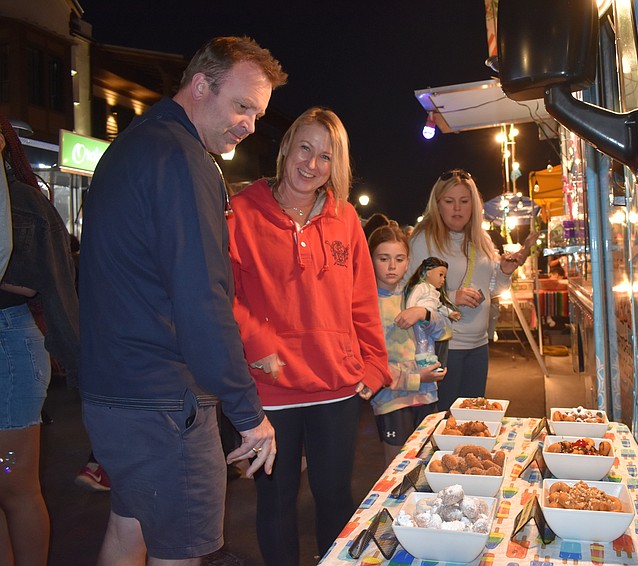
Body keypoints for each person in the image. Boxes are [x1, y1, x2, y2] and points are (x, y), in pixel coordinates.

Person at [78, 36, 287, 565]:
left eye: (258, 114)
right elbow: (202, 299)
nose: (249, 125)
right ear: (200, 86)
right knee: (180, 552)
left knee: (129, 531)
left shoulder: (132, 145)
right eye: (242, 106)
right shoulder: (184, 158)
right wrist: (248, 413)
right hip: (164, 401)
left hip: (115, 394)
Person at [228, 106, 391, 565]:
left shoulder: (345, 220)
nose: (311, 164)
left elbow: (362, 301)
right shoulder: (241, 212)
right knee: (276, 501)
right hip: (270, 390)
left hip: (334, 387)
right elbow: (224, 294)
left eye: (325, 156)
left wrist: (375, 364)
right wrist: (258, 344)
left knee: (336, 496)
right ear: (286, 147)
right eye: (305, 148)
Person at [0, 113, 79, 565]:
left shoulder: (21, 202)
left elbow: (37, 282)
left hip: (10, 347)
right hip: (13, 346)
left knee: (13, 482)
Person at [407, 169, 536, 411]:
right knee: (442, 425)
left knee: (472, 422)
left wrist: (505, 271)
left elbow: (492, 288)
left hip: (479, 347)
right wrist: (452, 296)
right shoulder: (422, 241)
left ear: (474, 205)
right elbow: (410, 294)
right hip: (443, 349)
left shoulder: (482, 239)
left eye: (464, 201)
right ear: (437, 205)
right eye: (449, 201)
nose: (457, 208)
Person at [368, 226, 448, 465]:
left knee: (428, 460)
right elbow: (368, 363)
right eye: (384, 259)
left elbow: (444, 330)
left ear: (408, 262)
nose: (392, 266)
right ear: (370, 259)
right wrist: (416, 378)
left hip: (427, 395)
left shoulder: (420, 294)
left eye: (399, 259)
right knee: (397, 465)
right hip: (391, 398)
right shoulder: (364, 303)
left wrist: (423, 312)